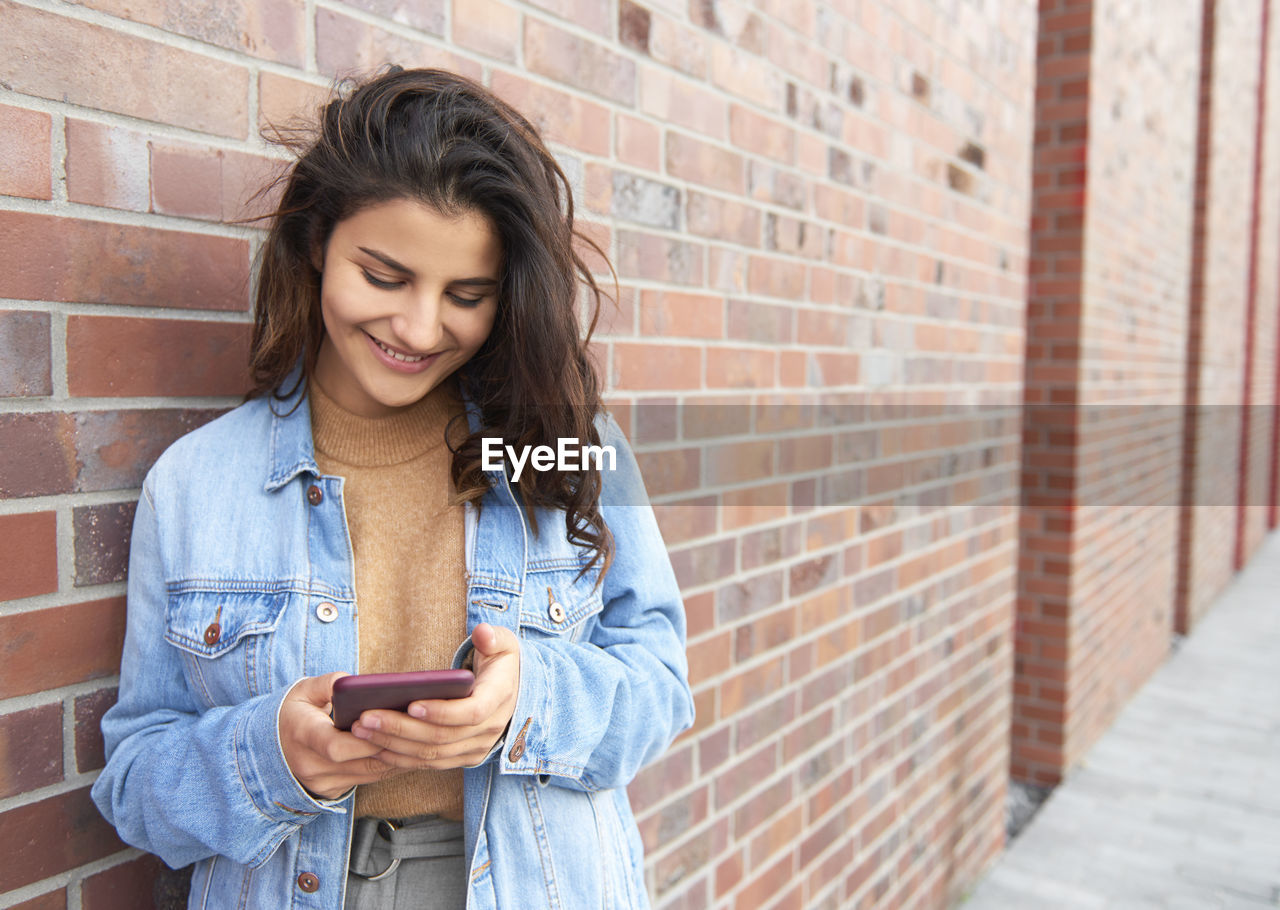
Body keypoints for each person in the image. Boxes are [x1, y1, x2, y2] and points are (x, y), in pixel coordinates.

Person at [91, 66, 694, 910]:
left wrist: (530, 701)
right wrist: (274, 760)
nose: (417, 329)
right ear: (314, 243)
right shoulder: (195, 485)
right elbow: (135, 784)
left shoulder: (565, 445)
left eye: (467, 296)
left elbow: (660, 689)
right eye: (383, 276)